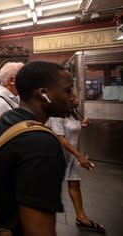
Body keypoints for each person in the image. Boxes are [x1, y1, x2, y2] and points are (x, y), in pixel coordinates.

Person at [0, 61, 74, 235]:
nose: (74, 98)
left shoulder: (6, 120)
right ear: (44, 94)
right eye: (68, 90)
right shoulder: (41, 144)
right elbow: (39, 229)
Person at [46, 98, 105, 234]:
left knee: (74, 184)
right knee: (53, 190)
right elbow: (60, 138)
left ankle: (81, 217)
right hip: (57, 156)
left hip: (70, 156)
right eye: (71, 97)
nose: (77, 100)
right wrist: (80, 155)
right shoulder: (56, 115)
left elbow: (69, 129)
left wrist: (81, 124)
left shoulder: (71, 113)